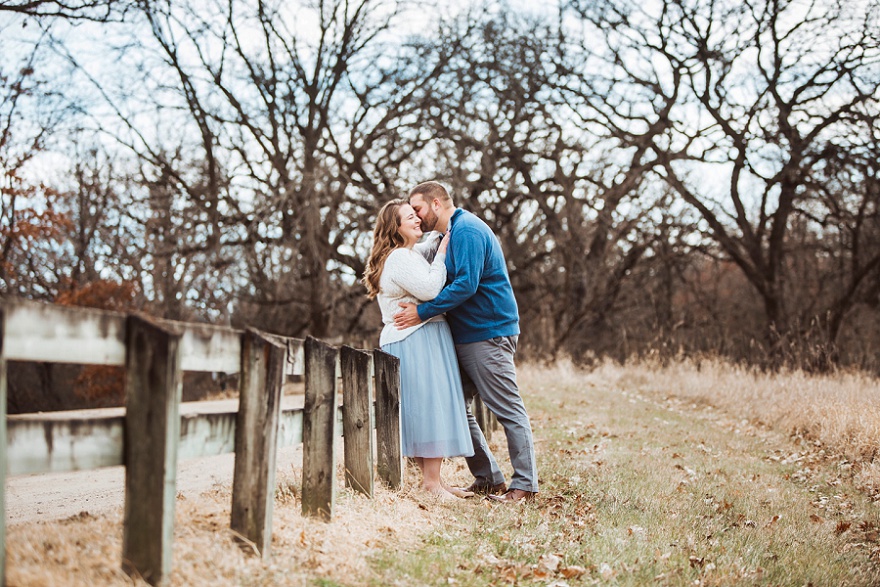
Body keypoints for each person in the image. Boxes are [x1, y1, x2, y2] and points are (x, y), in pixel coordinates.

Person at [393, 181, 538, 504]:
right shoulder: (446, 236)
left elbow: (466, 285)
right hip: (468, 336)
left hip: (488, 332)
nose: (415, 216)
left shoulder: (468, 230)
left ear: (435, 204)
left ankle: (525, 485)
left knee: (508, 408)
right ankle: (488, 477)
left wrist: (422, 313)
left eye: (417, 208)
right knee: (455, 405)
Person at [362, 198, 475, 500]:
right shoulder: (399, 258)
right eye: (409, 217)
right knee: (429, 406)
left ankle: (435, 480)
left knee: (432, 406)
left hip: (421, 336)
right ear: (395, 228)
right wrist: (440, 255)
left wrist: (436, 247)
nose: (416, 220)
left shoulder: (406, 255)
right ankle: (431, 486)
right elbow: (430, 289)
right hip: (414, 337)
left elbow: (423, 279)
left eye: (416, 214)